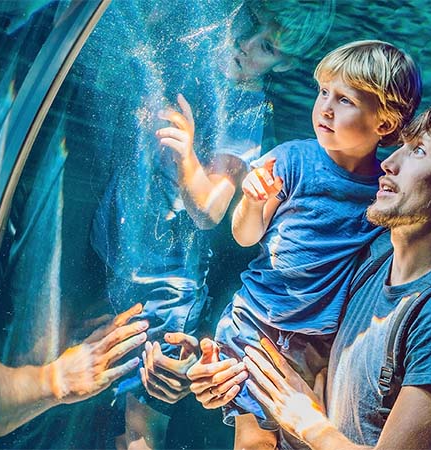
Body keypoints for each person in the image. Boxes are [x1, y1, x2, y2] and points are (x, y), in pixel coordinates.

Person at [92, 1, 334, 449]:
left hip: (165, 286)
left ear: (285, 64)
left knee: (140, 428)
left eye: (264, 46)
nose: (244, 44)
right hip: (124, 257)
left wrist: (186, 156)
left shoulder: (244, 110)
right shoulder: (200, 63)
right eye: (250, 23)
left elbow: (208, 209)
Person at [215, 103, 431, 449]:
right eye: (403, 146)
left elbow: (308, 417)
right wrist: (223, 374)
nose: (390, 163)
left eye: (418, 151)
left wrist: (309, 425)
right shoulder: (372, 260)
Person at [198, 39, 421, 450]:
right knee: (254, 442)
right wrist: (252, 199)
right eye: (323, 93)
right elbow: (245, 236)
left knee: (300, 437)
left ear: (385, 124)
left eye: (345, 99)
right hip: (257, 319)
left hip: (320, 339)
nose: (326, 108)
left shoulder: (385, 189)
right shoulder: (290, 160)